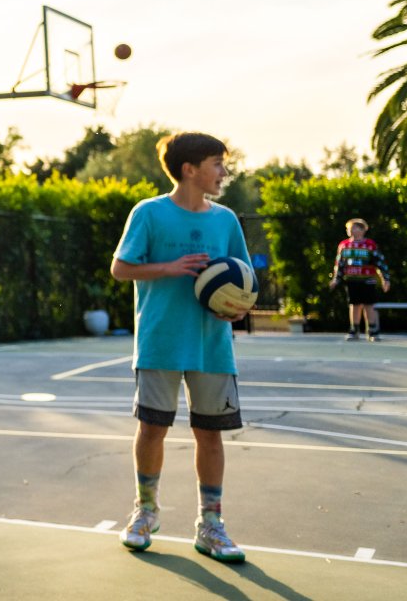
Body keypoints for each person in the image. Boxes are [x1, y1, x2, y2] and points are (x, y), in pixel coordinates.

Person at [108, 132, 251, 563]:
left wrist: (238, 310)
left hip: (212, 345)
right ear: (190, 169)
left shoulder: (225, 220)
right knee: (152, 429)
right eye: (216, 164)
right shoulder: (149, 213)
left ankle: (211, 524)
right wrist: (170, 268)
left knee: (210, 435)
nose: (223, 172)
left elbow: (244, 280)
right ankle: (145, 512)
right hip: (160, 343)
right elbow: (120, 268)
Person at [330, 218, 391, 341]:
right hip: (352, 280)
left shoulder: (370, 245)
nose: (350, 230)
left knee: (369, 305)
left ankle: (373, 331)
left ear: (362, 230)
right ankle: (354, 330)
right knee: (354, 305)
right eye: (349, 228)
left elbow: (380, 263)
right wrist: (336, 279)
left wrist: (385, 279)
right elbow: (340, 264)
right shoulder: (344, 245)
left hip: (368, 280)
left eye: (354, 227)